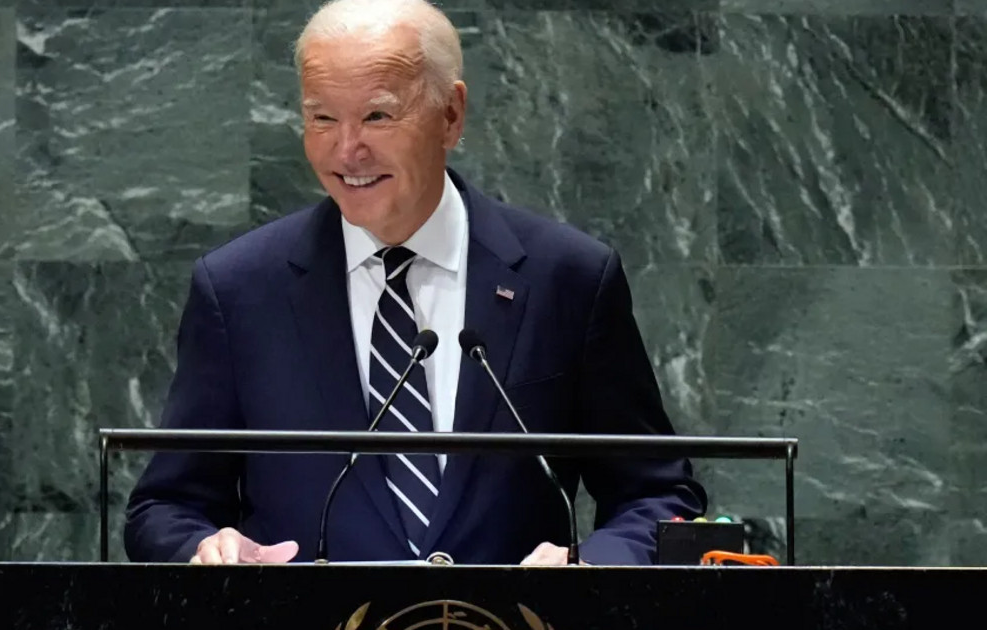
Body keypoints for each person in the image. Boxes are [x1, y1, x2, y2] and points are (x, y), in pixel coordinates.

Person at [124, 0, 706, 566]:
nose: (347, 150)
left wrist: (590, 565)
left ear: (450, 116)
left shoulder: (566, 277)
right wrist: (209, 550)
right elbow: (168, 506)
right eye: (322, 118)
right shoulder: (240, 289)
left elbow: (657, 495)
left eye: (377, 116)